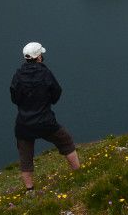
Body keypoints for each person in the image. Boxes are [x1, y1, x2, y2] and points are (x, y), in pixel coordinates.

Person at [10, 41, 80, 191]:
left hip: (24, 124)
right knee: (66, 141)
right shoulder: (45, 73)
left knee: (25, 157)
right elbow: (57, 92)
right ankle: (78, 173)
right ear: (39, 57)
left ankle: (30, 190)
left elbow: (14, 98)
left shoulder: (18, 75)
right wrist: (47, 101)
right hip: (45, 121)